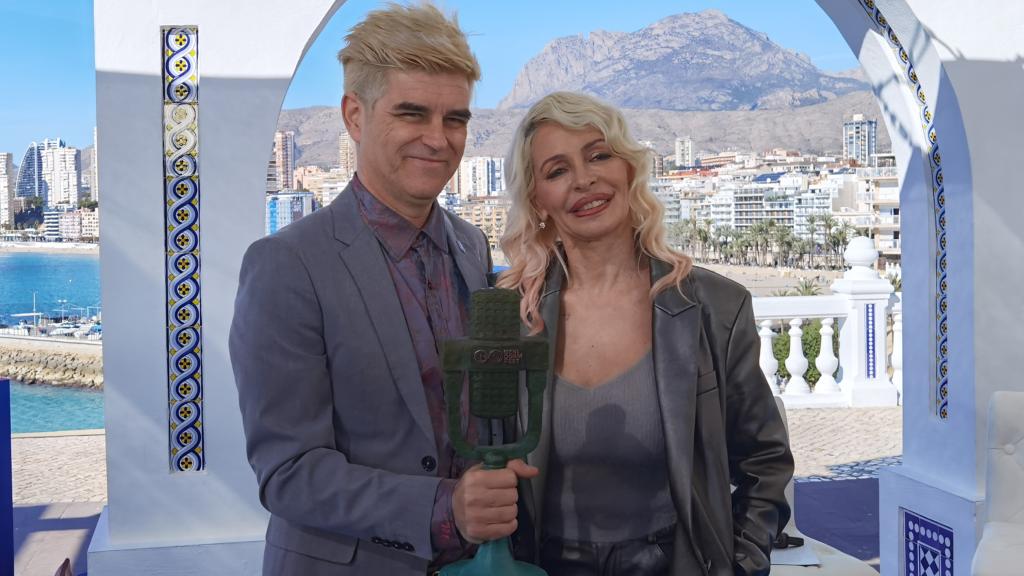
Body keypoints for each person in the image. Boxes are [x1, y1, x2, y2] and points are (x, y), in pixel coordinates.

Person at [229, 4, 536, 574]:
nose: (438, 139)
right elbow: (288, 473)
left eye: (456, 119)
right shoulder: (286, 266)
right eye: (412, 113)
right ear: (354, 115)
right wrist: (446, 507)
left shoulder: (471, 246)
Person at [497, 91, 794, 576]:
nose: (584, 179)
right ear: (538, 201)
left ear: (629, 169)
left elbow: (766, 461)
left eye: (599, 155)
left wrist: (739, 563)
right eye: (557, 171)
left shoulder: (715, 309)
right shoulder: (515, 318)